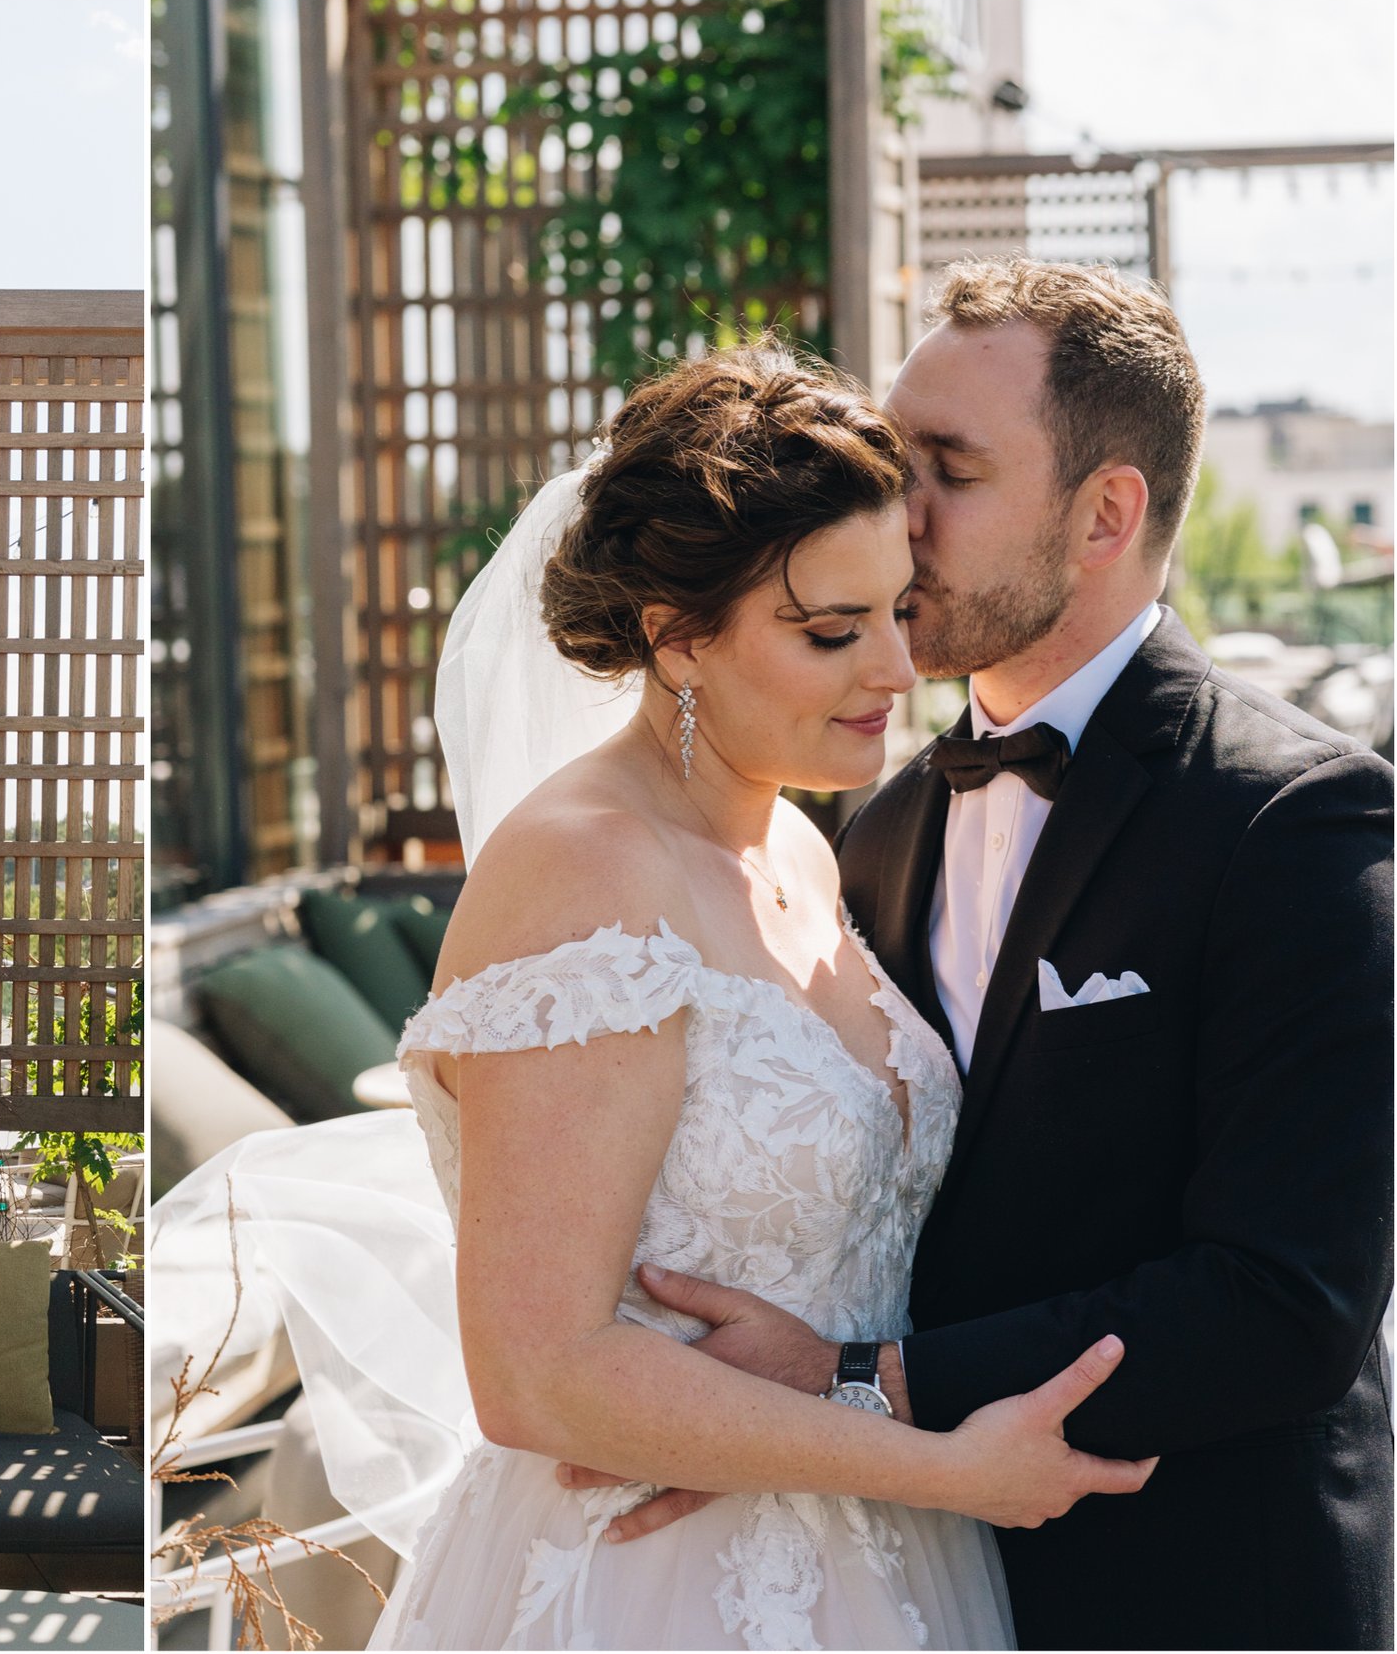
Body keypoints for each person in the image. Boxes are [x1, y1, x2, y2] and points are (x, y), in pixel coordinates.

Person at [156, 338, 1156, 1649]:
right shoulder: (584, 870)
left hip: (881, 1563)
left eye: (899, 610)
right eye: (830, 631)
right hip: (652, 1579)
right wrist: (949, 1468)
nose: (895, 671)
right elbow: (538, 1373)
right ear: (678, 640)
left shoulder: (799, 840)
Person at [548, 260, 1394, 1649]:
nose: (893, 515)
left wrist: (851, 1385)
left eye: (946, 468)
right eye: (893, 458)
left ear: (1105, 513)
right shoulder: (873, 831)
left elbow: (1284, 1303)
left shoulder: (1295, 818)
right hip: (918, 1585)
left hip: (1204, 1588)